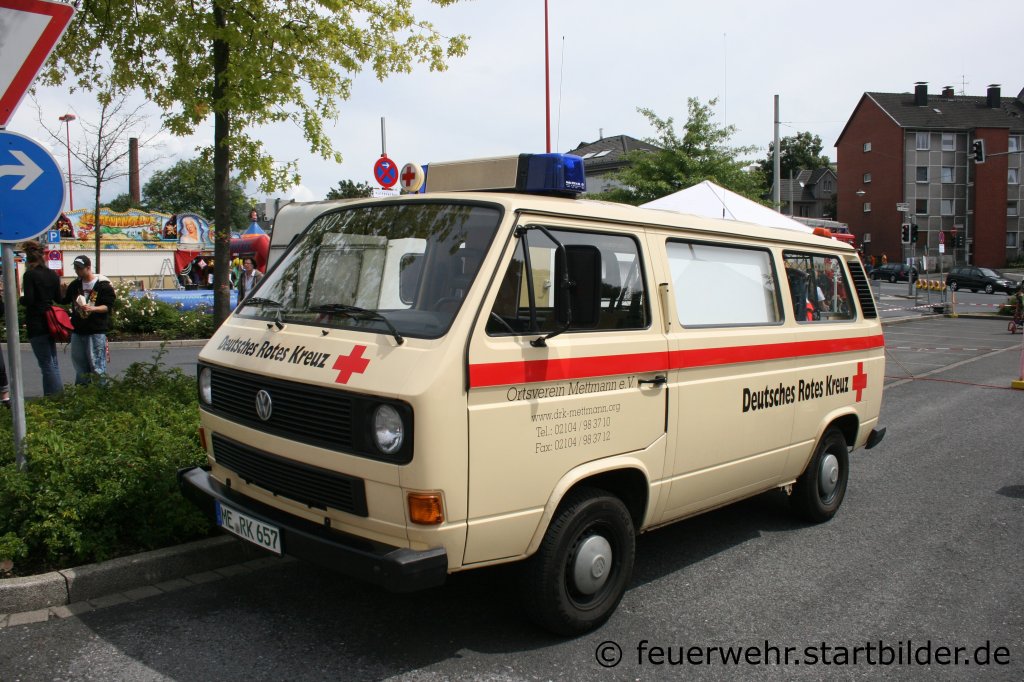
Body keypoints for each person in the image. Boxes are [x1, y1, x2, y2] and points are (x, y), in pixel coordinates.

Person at [60, 255, 116, 385]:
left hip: (96, 330)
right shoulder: (75, 285)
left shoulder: (103, 285)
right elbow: (65, 300)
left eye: (79, 268)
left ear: (88, 267)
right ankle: (82, 393)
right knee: (80, 366)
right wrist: (62, 292)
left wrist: (93, 308)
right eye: (75, 268)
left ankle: (101, 394)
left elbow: (108, 306)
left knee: (97, 365)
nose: (77, 271)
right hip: (78, 330)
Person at [20, 240, 63, 396]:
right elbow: (59, 298)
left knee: (46, 364)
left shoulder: (30, 275)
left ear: (28, 257)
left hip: (37, 322)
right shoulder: (52, 274)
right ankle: (53, 396)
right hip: (51, 321)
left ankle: (56, 397)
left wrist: (20, 300)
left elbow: (29, 300)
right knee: (53, 362)